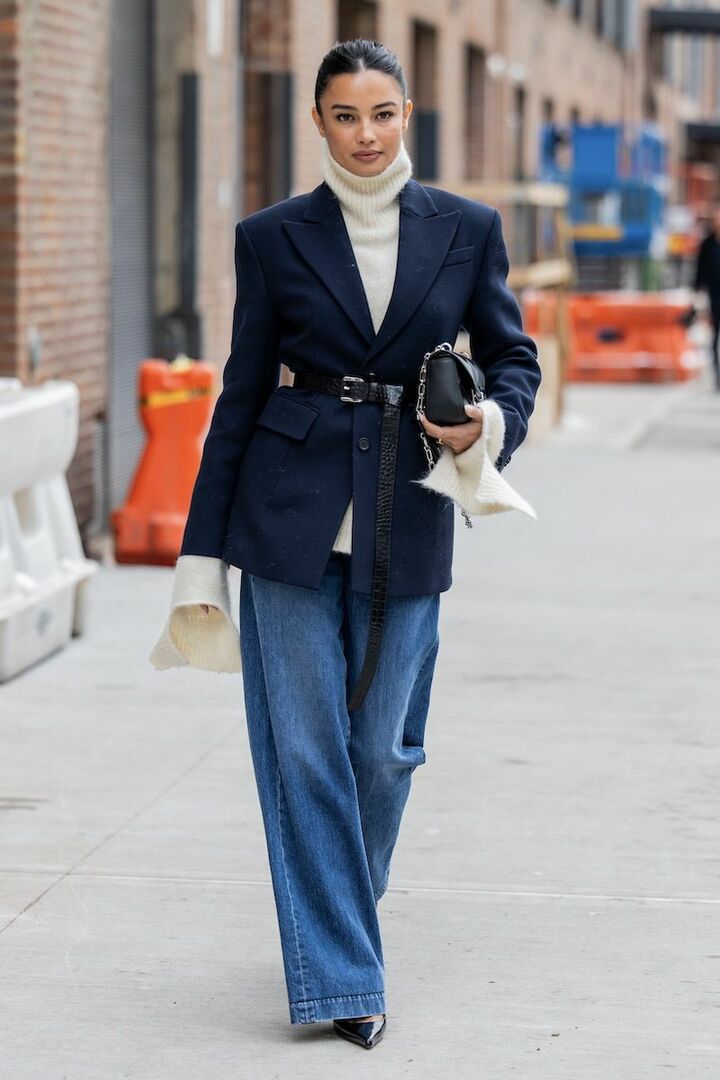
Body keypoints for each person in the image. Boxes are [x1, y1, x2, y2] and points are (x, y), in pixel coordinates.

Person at [149, 38, 541, 1050]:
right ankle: (343, 976)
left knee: (383, 754)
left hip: (409, 508)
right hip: (284, 519)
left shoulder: (467, 229)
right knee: (307, 752)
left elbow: (514, 357)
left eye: (382, 113)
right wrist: (201, 553)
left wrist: (488, 425)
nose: (365, 135)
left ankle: (337, 933)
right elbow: (240, 397)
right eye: (344, 116)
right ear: (318, 122)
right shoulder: (272, 238)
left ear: (407, 114)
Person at [692, 198, 720, 391]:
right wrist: (696, 298)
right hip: (715, 298)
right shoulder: (707, 244)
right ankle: (717, 377)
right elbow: (699, 273)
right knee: (714, 339)